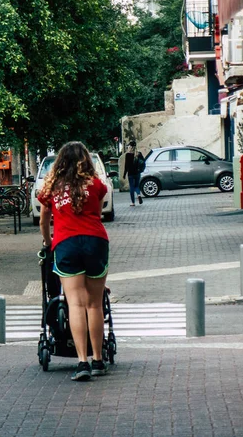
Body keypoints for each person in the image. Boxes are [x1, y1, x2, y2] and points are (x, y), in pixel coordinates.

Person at [37, 141, 109, 381]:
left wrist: (49, 242)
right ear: (86, 160)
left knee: (75, 304)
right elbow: (98, 215)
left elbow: (44, 219)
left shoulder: (53, 188)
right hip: (96, 242)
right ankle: (98, 359)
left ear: (61, 162)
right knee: (95, 304)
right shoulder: (97, 184)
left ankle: (82, 362)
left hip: (66, 244)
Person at [123, 141, 144, 206]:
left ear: (130, 147)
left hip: (131, 174)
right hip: (137, 173)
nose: (128, 147)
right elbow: (143, 162)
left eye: (129, 146)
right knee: (137, 186)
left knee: (132, 187)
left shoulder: (128, 155)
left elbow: (126, 166)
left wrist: (124, 174)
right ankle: (138, 194)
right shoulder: (139, 153)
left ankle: (133, 203)